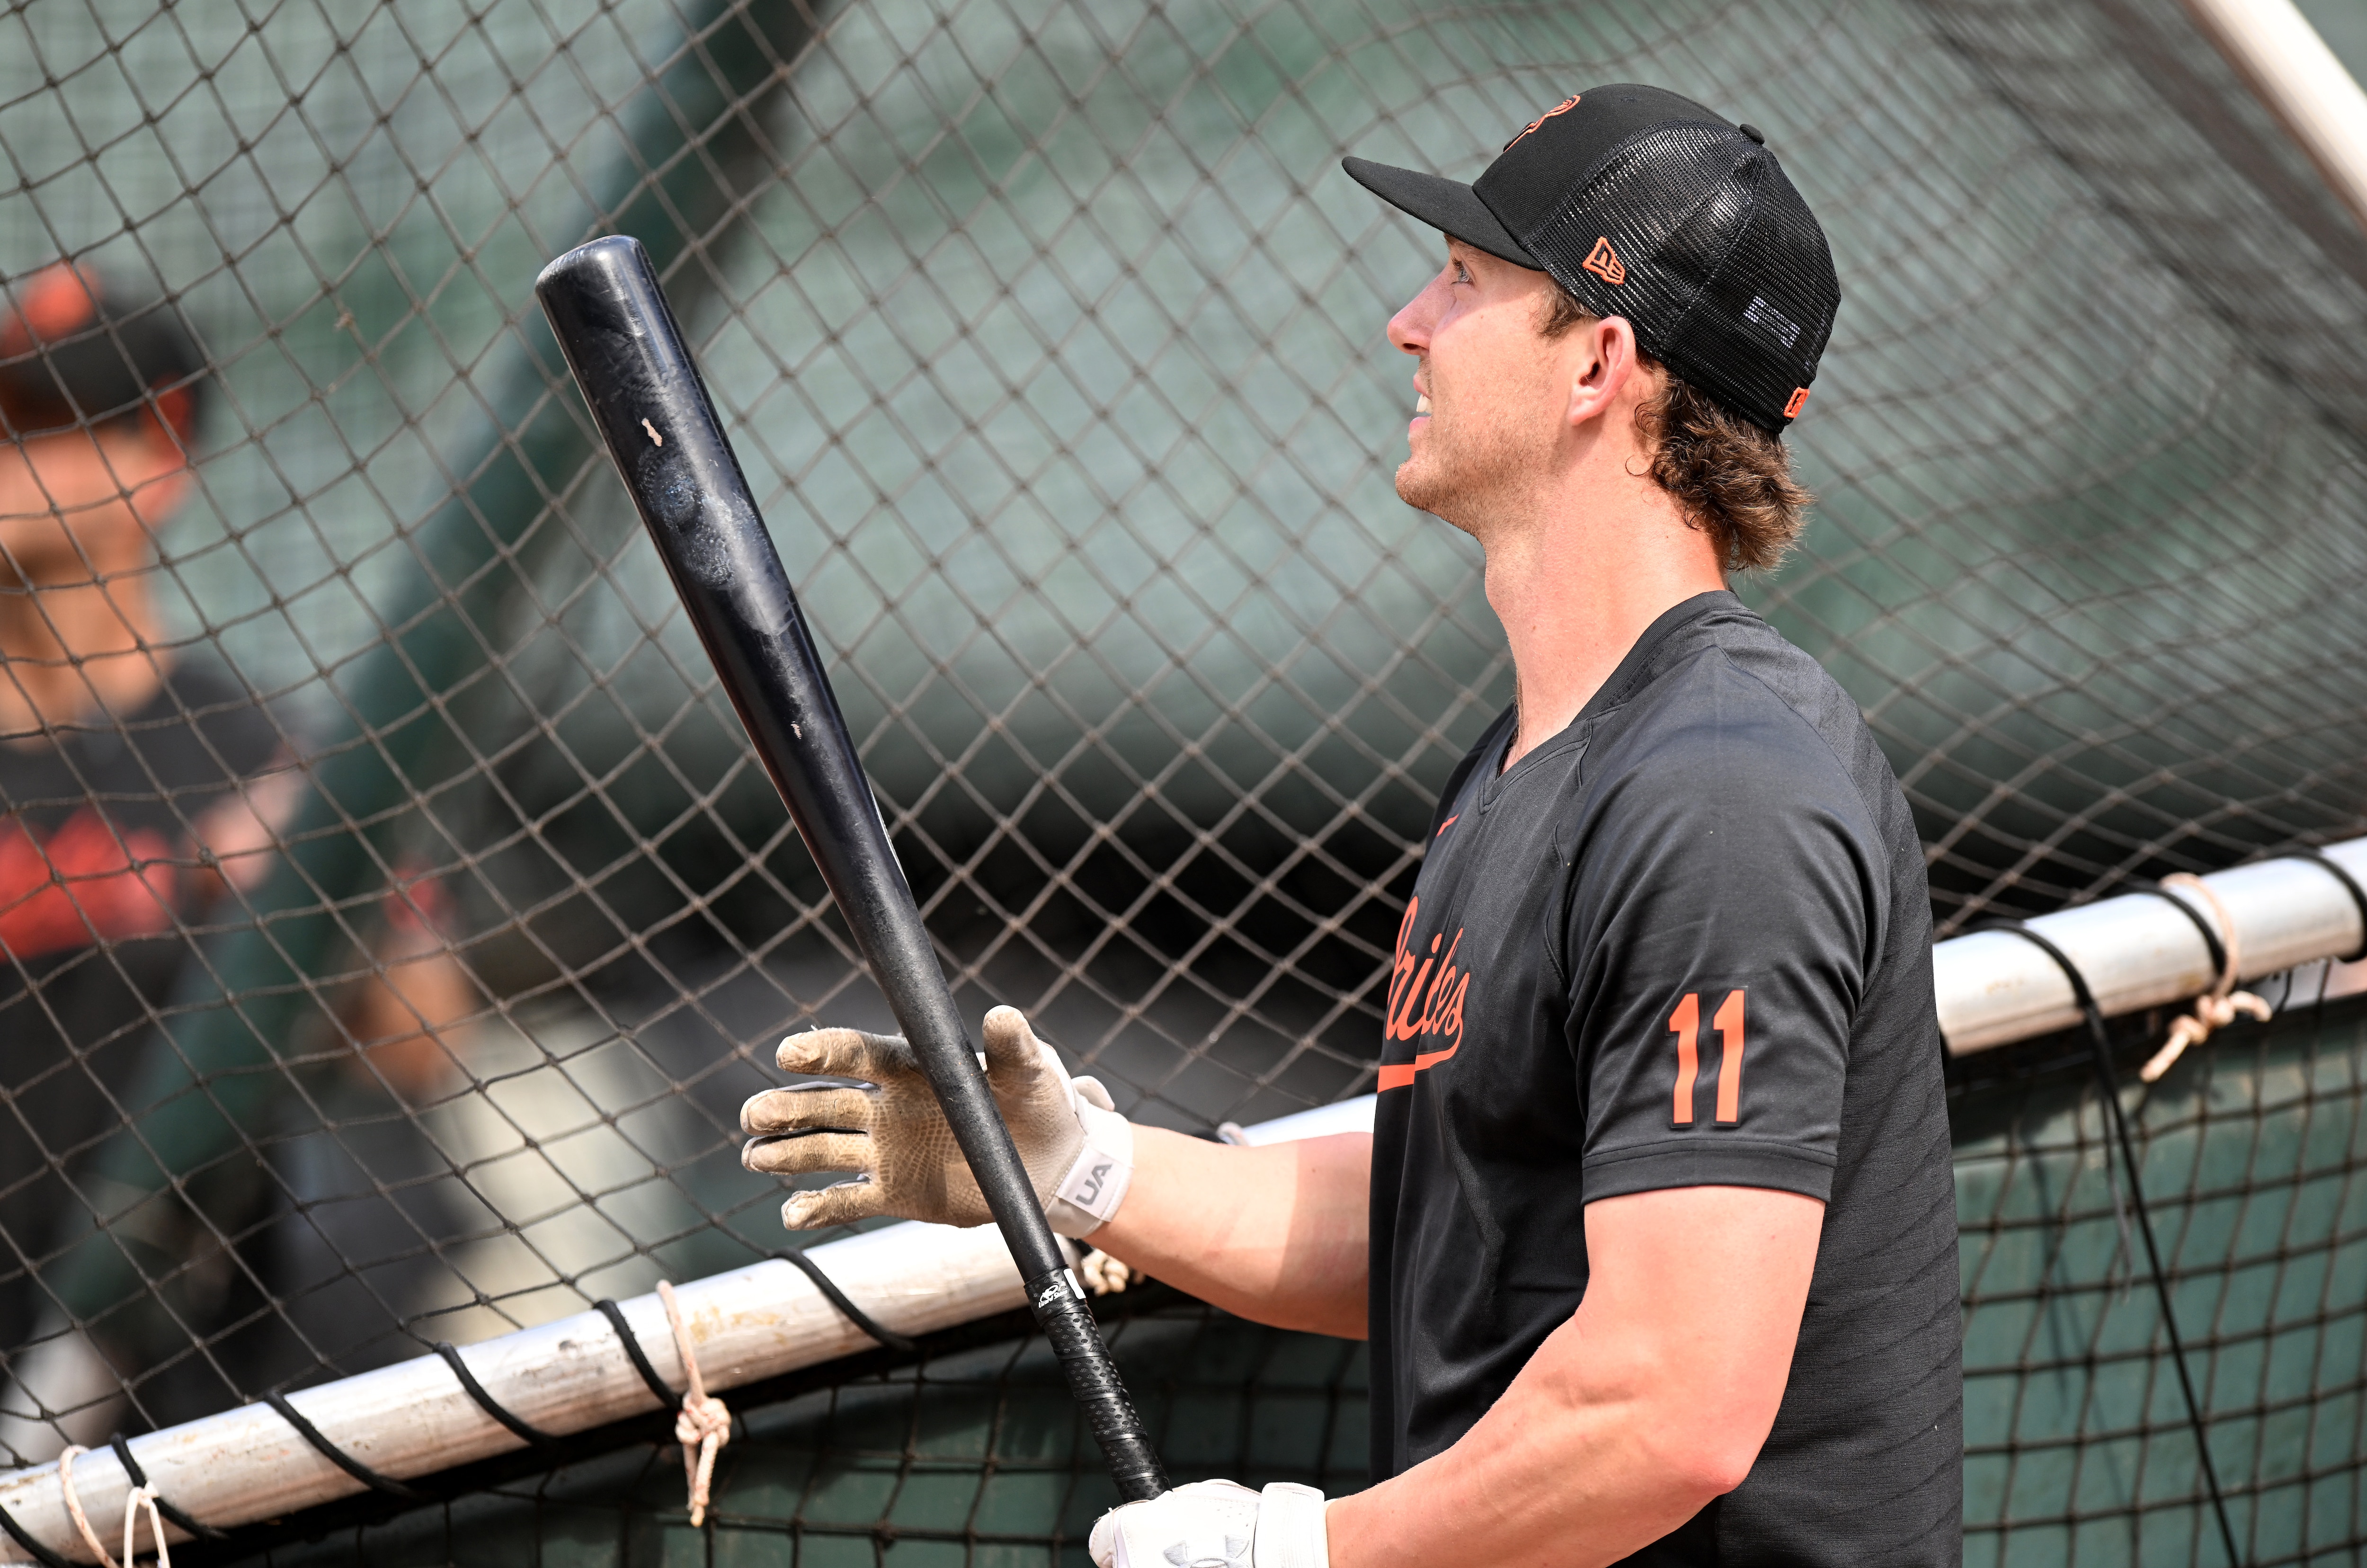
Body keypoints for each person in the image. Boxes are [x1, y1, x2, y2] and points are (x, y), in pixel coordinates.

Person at [738, 85, 1962, 1567]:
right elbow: (1449, 1223)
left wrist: (1307, 1554)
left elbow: (1669, 1406)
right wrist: (1082, 1170)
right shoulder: (1529, 768)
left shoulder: (1721, 794)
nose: (1408, 321)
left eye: (1466, 280)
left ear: (1599, 362)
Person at [0, 263, 476, 1452]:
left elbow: (421, 1041)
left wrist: (302, 890)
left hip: (176, 1396)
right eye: (3, 418)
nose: (12, 454)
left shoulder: (259, 749)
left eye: (60, 424)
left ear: (161, 461)